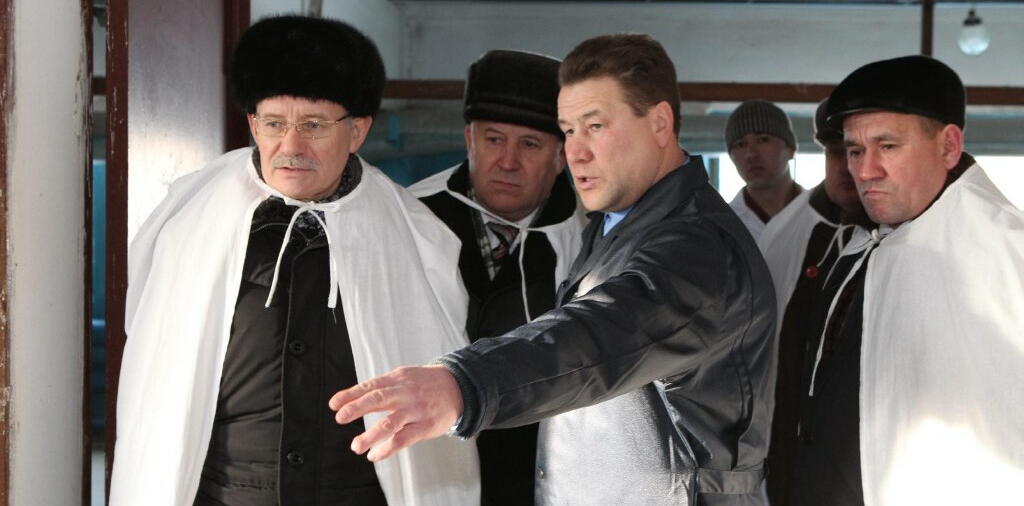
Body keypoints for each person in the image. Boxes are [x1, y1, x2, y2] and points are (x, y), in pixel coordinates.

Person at [330, 32, 777, 506]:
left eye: (595, 126)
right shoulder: (616, 225)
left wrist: (463, 384)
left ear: (660, 123)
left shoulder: (696, 245)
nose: (577, 152)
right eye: (569, 130)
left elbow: (602, 333)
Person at [110, 15, 479, 506]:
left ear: (358, 130)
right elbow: (155, 384)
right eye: (274, 124)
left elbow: (439, 398)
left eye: (314, 125)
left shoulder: (414, 237)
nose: (291, 147)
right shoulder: (189, 222)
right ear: (252, 124)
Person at [790, 55, 1024, 506]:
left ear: (948, 146)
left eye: (888, 146)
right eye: (855, 151)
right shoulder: (860, 245)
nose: (865, 171)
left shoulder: (1008, 249)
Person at [409, 49, 586, 505]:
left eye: (530, 144)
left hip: (540, 476)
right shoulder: (409, 218)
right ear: (469, 139)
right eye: (493, 140)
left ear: (561, 157)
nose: (508, 162)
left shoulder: (589, 240)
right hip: (424, 468)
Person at [757, 100, 872, 506]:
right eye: (836, 153)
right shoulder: (786, 230)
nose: (846, 167)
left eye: (856, 153)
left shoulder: (904, 236)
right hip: (783, 444)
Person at [725, 100, 804, 240]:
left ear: (790, 149)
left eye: (762, 140)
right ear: (731, 157)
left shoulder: (824, 213)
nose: (751, 154)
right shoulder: (723, 226)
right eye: (740, 144)